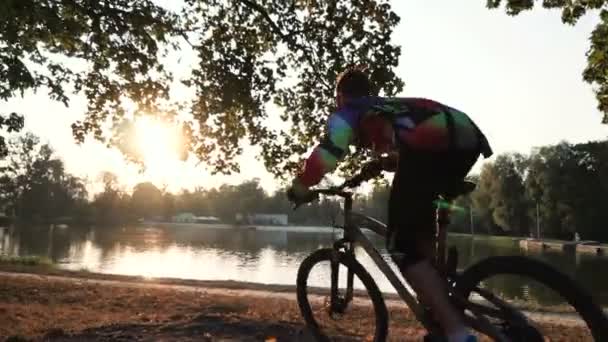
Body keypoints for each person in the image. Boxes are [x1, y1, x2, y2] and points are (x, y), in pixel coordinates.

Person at [287, 67, 493, 342]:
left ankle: (456, 332)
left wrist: (302, 184)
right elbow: (408, 146)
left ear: (340, 97)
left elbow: (329, 151)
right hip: (466, 137)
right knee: (418, 237)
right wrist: (382, 164)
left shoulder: (348, 111)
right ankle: (442, 306)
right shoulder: (384, 107)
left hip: (434, 146)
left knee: (401, 247)